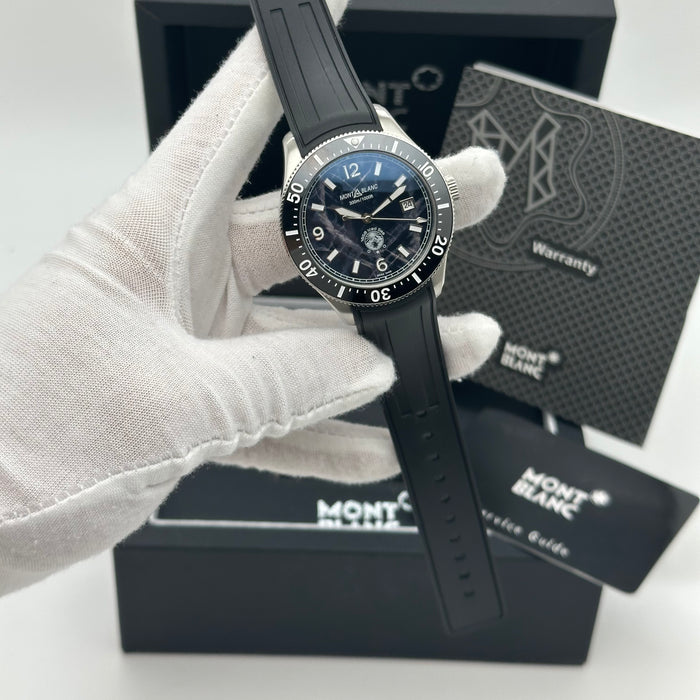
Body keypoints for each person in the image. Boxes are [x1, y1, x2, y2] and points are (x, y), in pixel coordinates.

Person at [0, 0, 505, 596]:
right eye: (348, 216)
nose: (366, 216)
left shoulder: (343, 228)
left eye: (380, 207)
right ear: (303, 233)